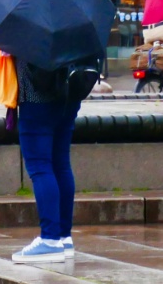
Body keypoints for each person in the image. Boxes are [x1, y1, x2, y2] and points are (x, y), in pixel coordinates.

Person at [6, 48, 101, 264]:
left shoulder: (30, 18)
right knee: (60, 164)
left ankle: (49, 239)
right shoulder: (75, 16)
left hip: (36, 96)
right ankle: (63, 237)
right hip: (70, 93)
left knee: (40, 167)